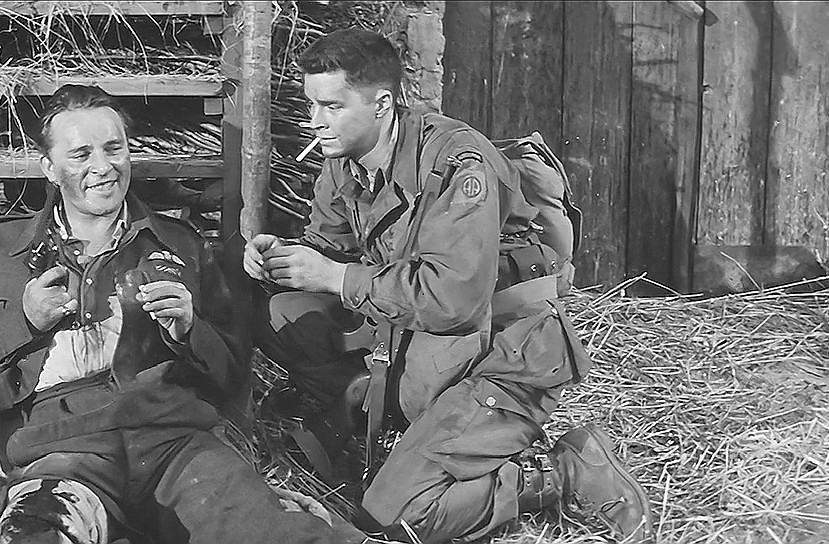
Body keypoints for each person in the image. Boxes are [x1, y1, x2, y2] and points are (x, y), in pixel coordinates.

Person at [245, 29, 655, 543]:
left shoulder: (458, 164)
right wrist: (280, 258)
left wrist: (333, 276)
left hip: (501, 354)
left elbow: (452, 298)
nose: (314, 121)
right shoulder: (345, 158)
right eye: (311, 104)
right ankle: (372, 409)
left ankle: (564, 471)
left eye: (331, 106)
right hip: (424, 342)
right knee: (278, 308)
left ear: (381, 104)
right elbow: (331, 248)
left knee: (397, 517)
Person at [0, 84, 363, 544]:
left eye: (113, 148)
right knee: (36, 535)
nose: (103, 167)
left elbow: (232, 374)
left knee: (274, 533)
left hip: (175, 445)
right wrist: (24, 320)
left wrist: (188, 330)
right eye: (80, 154)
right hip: (60, 451)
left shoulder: (181, 244)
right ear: (50, 169)